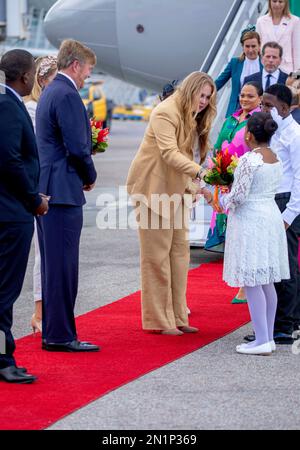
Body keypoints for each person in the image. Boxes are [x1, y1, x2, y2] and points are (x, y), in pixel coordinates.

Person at [126, 72, 216, 335]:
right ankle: (157, 320)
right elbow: (169, 153)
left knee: (179, 256)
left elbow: (183, 157)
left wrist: (195, 186)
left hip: (176, 192)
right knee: (156, 258)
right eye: (201, 95)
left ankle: (178, 316)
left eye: (208, 97)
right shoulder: (166, 111)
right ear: (189, 90)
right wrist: (200, 173)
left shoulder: (189, 114)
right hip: (152, 191)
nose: (203, 102)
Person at [36, 39, 99, 352]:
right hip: (62, 192)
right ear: (76, 65)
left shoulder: (50, 91)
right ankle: (60, 335)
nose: (87, 76)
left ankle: (54, 331)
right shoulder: (67, 94)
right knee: (63, 268)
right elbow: (77, 146)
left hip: (49, 189)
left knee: (53, 266)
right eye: (88, 70)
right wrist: (89, 175)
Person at [220, 112, 290, 355]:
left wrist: (221, 197)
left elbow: (238, 196)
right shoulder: (274, 157)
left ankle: (262, 339)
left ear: (248, 134)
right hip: (269, 215)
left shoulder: (250, 160)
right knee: (266, 281)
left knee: (252, 280)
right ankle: (267, 336)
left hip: (252, 219)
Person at [0, 50, 49, 383]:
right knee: (4, 292)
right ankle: (3, 359)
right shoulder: (7, 103)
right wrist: (34, 199)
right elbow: (9, 160)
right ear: (25, 76)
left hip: (9, 207)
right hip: (10, 213)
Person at [245, 84, 300, 344]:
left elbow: (299, 178)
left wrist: (289, 215)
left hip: (288, 202)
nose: (264, 109)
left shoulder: (295, 135)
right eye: (263, 105)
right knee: (270, 264)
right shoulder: (272, 132)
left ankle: (286, 325)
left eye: (269, 106)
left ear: (285, 108)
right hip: (270, 200)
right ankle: (269, 324)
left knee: (286, 265)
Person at [205, 81, 262, 303]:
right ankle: (242, 283)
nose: (245, 99)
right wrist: (216, 172)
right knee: (233, 237)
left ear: (259, 98)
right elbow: (219, 146)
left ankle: (246, 286)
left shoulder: (257, 120)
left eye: (250, 96)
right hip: (226, 181)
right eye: (242, 95)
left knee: (246, 238)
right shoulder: (232, 118)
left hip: (244, 182)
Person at [24, 55, 58, 334]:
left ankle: (47, 309)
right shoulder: (33, 108)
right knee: (42, 252)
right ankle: (38, 311)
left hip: (52, 183)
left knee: (49, 251)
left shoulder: (50, 103)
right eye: (53, 80)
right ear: (41, 80)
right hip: (37, 185)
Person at [215, 26, 262, 117]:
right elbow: (218, 82)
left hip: (258, 111)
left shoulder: (265, 65)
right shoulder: (235, 63)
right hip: (236, 109)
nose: (250, 50)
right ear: (242, 47)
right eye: (247, 46)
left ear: (259, 46)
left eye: (253, 46)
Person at [256, 0, 300, 74]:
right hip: (266, 69)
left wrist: (296, 76)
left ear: (285, 3)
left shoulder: (295, 21)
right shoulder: (260, 21)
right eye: (274, 1)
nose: (277, 4)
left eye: (280, 2)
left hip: (286, 70)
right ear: (269, 2)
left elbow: (297, 51)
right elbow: (258, 48)